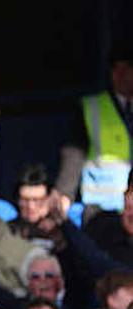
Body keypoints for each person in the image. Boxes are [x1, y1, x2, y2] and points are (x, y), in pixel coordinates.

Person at [56, 48, 133, 212]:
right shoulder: (92, 107)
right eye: (116, 69)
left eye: (127, 69)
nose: (121, 75)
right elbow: (74, 154)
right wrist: (64, 194)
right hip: (101, 210)